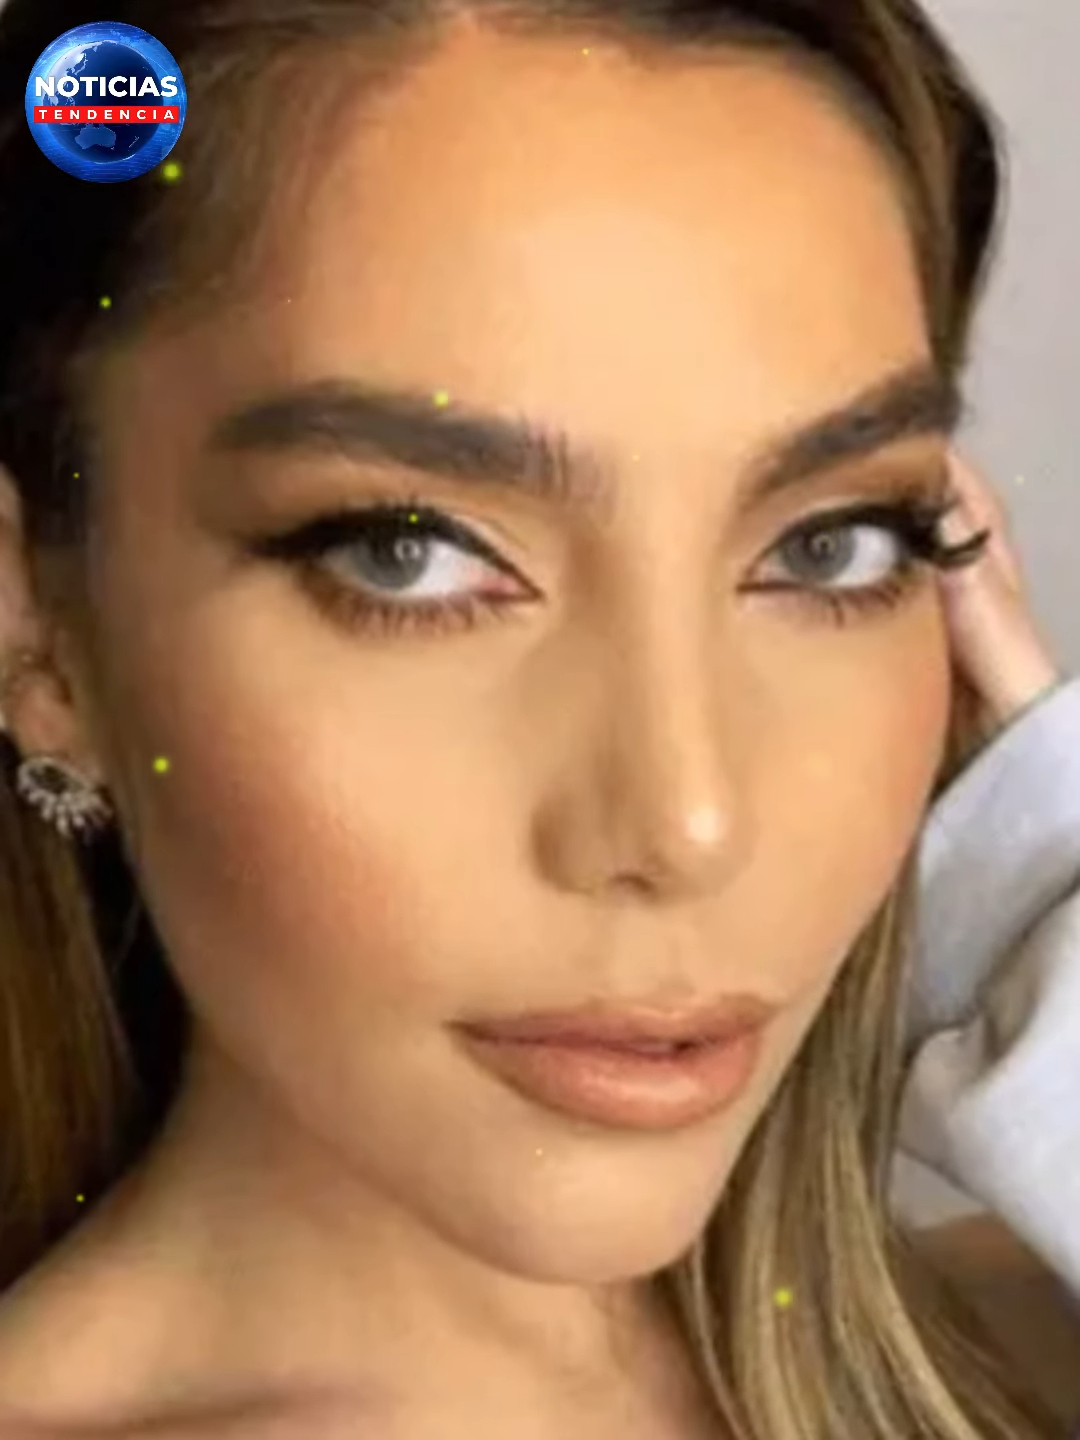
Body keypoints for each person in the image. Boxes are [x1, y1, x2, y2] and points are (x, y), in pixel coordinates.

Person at [0, 1, 1075, 1436]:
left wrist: (1042, 871)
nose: (689, 824)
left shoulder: (1026, 1343)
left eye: (832, 545)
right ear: (37, 627)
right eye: (407, 555)